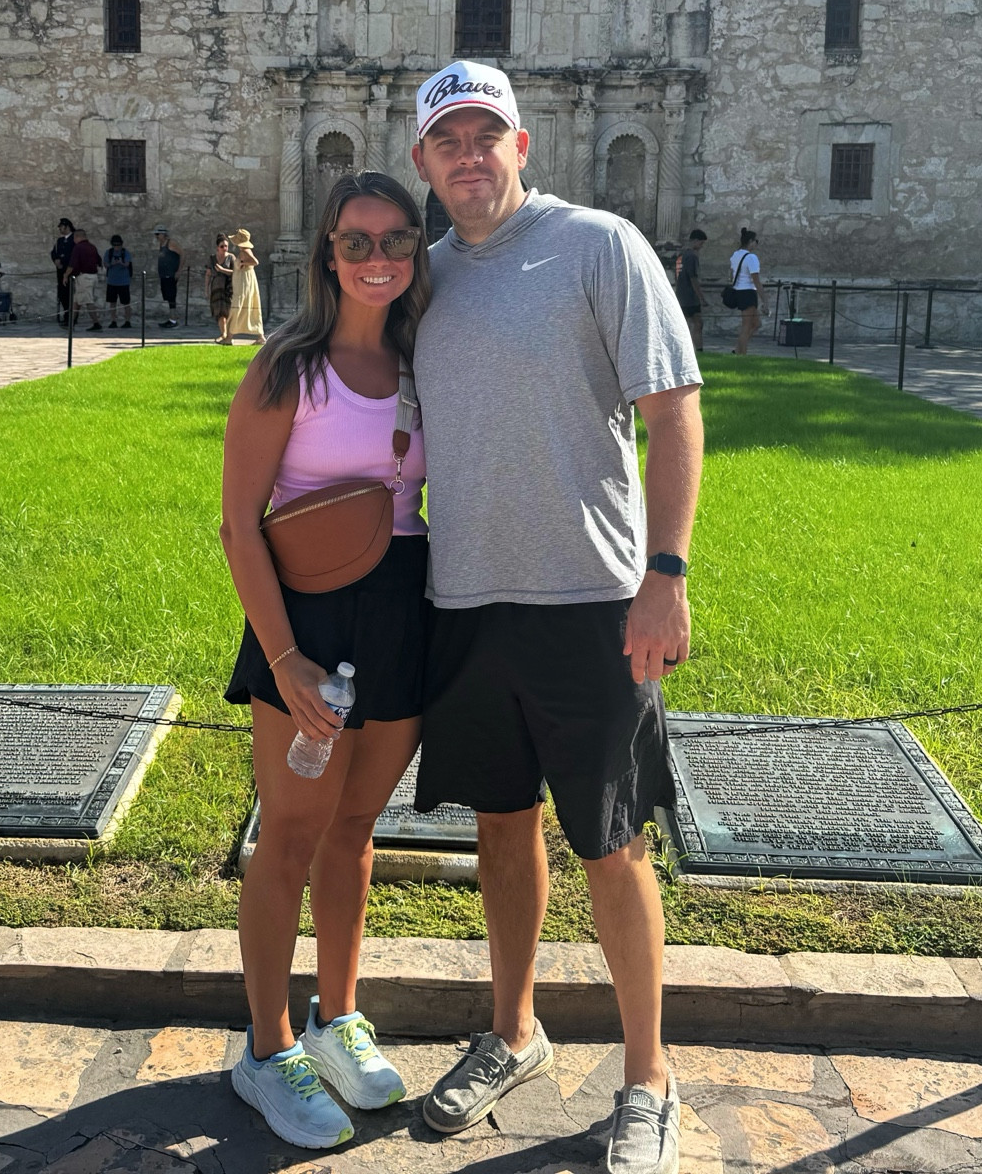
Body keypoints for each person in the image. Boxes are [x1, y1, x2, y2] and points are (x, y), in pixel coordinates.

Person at [406, 60, 703, 1174]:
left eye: (485, 136)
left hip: (591, 599)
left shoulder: (596, 245)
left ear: (521, 146)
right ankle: (514, 1030)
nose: (468, 157)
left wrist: (665, 572)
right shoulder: (424, 277)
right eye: (447, 141)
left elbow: (674, 411)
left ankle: (648, 1076)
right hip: (466, 598)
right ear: (424, 160)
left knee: (613, 842)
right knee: (500, 827)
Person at [218, 171, 434, 1151]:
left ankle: (335, 1018)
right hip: (305, 619)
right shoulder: (287, 366)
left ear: (416, 251)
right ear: (328, 254)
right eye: (357, 241)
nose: (377, 258)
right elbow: (238, 525)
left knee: (354, 828)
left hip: (400, 606)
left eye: (396, 240)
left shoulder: (424, 362)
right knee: (291, 836)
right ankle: (265, 1052)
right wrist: (285, 659)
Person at [670, 229, 706, 355]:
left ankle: (685, 350)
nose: (701, 247)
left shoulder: (681, 255)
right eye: (701, 243)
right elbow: (693, 278)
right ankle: (698, 350)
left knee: (685, 324)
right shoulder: (692, 256)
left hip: (681, 294)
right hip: (691, 296)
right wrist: (701, 297)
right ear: (695, 241)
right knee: (697, 323)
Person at [727, 229, 762, 354]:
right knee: (746, 326)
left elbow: (731, 274)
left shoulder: (735, 255)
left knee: (756, 323)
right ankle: (742, 354)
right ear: (750, 241)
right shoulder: (751, 257)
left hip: (739, 291)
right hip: (748, 292)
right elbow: (756, 280)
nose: (756, 244)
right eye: (756, 241)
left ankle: (738, 349)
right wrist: (765, 299)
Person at [230, 228, 267, 343]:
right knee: (246, 305)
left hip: (244, 281)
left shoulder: (245, 251)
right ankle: (260, 336)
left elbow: (255, 262)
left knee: (238, 304)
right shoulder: (244, 251)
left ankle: (229, 336)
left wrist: (243, 263)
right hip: (243, 280)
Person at [69, 227, 104, 331]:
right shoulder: (92, 247)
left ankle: (96, 323)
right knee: (76, 300)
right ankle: (72, 323)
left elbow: (72, 264)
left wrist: (66, 275)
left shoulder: (78, 247)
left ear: (78, 237)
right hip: (92, 276)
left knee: (88, 300)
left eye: (74, 237)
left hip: (84, 277)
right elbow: (99, 261)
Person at [208, 235, 238, 344]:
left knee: (227, 311)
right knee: (219, 312)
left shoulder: (231, 257)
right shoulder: (212, 258)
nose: (224, 248)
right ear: (217, 247)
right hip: (216, 287)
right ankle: (223, 334)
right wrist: (206, 289)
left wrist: (222, 270)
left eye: (226, 246)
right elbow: (208, 274)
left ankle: (227, 335)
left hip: (228, 287)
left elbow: (236, 272)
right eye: (222, 246)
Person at [155, 226, 183, 328]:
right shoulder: (161, 244)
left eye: (157, 234)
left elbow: (182, 254)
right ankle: (171, 318)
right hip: (163, 275)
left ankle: (173, 320)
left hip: (170, 274)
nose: (156, 236)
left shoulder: (171, 243)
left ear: (163, 234)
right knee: (167, 297)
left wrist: (179, 270)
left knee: (171, 297)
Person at [104, 235, 134, 329]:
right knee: (112, 302)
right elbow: (106, 264)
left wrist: (121, 263)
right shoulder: (109, 252)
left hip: (123, 282)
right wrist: (112, 264)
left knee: (126, 303)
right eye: (115, 245)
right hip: (112, 281)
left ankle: (127, 321)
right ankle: (113, 321)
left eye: (118, 245)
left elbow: (127, 264)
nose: (117, 247)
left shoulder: (125, 252)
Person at [51, 218, 77, 325]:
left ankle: (71, 317)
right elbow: (54, 252)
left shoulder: (74, 239)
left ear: (67, 227)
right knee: (62, 294)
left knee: (70, 295)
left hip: (70, 271)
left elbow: (74, 255)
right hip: (61, 272)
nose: (60, 229)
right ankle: (66, 315)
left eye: (61, 227)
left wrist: (64, 262)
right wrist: (56, 260)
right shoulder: (60, 241)